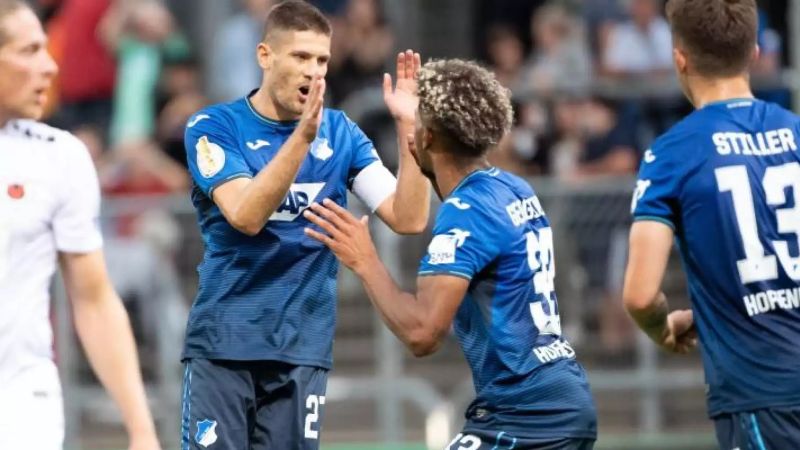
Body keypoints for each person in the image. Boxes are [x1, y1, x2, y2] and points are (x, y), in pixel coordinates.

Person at [622, 1, 800, 450]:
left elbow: (638, 295)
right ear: (753, 50)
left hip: (763, 384)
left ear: (679, 57)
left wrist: (663, 329)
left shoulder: (672, 153)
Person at [304, 59, 598, 449]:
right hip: (556, 397)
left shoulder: (467, 212)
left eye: (419, 124)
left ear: (428, 138)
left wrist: (365, 260)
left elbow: (423, 333)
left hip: (528, 414)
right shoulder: (513, 188)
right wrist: (409, 121)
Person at [179, 1, 431, 449]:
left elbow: (408, 218)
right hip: (224, 347)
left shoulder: (342, 134)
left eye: (322, 60)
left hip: (302, 350)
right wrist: (301, 140)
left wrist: (409, 131)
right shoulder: (214, 127)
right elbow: (246, 215)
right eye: (300, 57)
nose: (314, 72)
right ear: (265, 56)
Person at [0, 1, 161, 449]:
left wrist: (142, 430)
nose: (49, 66)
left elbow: (93, 299)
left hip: (22, 405)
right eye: (29, 51)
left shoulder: (59, 157)